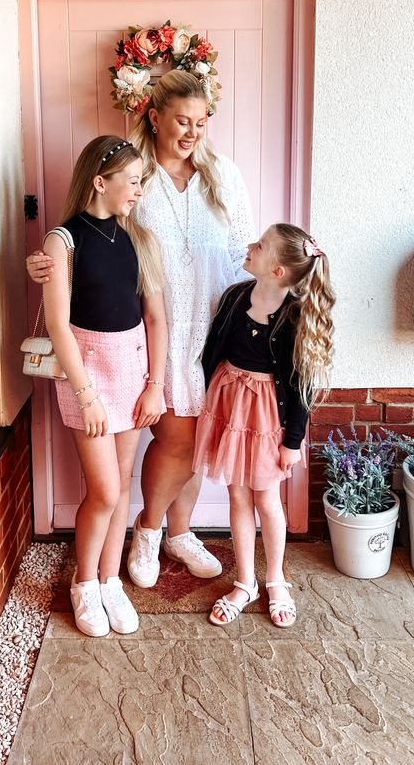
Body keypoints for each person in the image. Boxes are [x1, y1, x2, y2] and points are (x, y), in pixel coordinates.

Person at [27, 70, 255, 586]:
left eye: (201, 122)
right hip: (147, 333)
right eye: (181, 120)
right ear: (154, 116)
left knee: (198, 439)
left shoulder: (224, 175)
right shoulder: (132, 173)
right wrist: (40, 264)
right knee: (179, 437)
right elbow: (91, 235)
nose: (193, 133)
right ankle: (148, 531)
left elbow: (244, 250)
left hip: (212, 324)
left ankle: (180, 531)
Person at [41, 135, 167, 637]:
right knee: (106, 491)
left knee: (122, 487)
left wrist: (154, 385)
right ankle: (84, 583)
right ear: (100, 181)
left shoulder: (139, 239)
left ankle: (111, 580)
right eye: (132, 181)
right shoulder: (62, 242)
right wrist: (86, 394)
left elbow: (155, 318)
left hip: (133, 372)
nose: (138, 191)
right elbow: (57, 326)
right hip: (87, 376)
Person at [193, 223, 335, 628]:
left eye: (260, 245)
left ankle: (275, 579)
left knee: (267, 501)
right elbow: (212, 351)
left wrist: (293, 441)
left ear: (277, 271)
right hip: (229, 408)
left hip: (266, 417)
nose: (250, 246)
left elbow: (302, 386)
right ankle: (244, 582)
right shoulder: (236, 297)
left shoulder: (294, 316)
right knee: (238, 500)